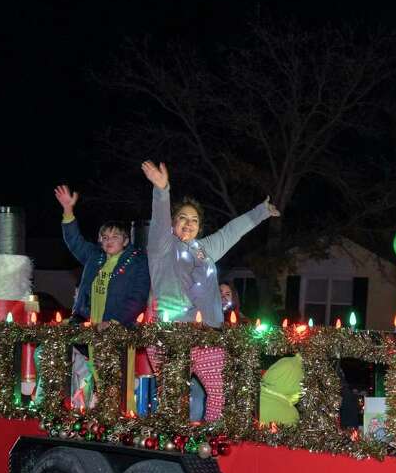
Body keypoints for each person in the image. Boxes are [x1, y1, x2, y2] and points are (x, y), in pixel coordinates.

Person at [141, 160, 279, 420]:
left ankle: (211, 438)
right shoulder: (162, 247)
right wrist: (162, 190)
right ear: (173, 223)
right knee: (174, 395)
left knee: (220, 388)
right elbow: (158, 222)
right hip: (168, 334)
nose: (188, 223)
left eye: (194, 220)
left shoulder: (204, 249)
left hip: (204, 336)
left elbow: (231, 232)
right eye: (182, 218)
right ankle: (174, 441)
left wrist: (261, 211)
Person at [55, 185, 150, 409]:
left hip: (114, 330)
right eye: (104, 237)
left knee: (111, 381)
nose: (109, 241)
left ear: (126, 241)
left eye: (115, 237)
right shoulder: (94, 257)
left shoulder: (137, 261)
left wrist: (114, 322)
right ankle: (80, 405)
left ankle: (110, 411)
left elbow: (137, 298)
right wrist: (68, 210)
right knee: (65, 361)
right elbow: (74, 241)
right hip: (87, 327)